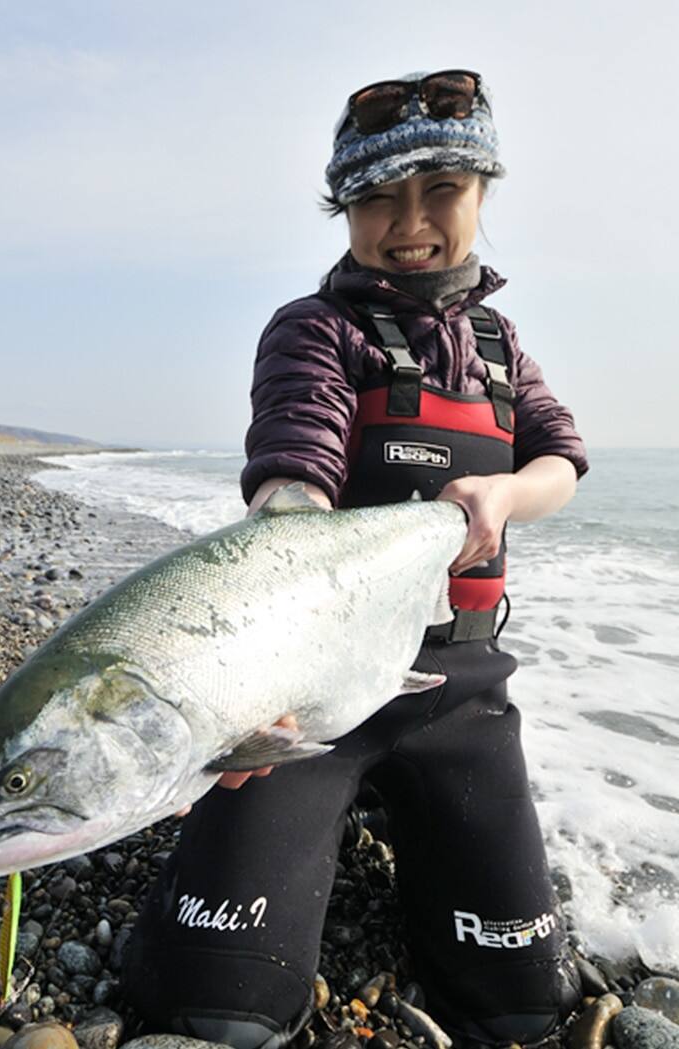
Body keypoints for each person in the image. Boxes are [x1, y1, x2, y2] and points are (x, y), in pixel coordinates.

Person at [122, 70, 588, 1048]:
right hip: (316, 693)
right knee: (215, 1006)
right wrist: (280, 542)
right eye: (374, 196)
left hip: (459, 689)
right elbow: (291, 464)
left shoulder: (501, 344)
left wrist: (504, 494)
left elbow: (559, 459)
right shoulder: (315, 329)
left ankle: (408, 827)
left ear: (480, 192)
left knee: (521, 1004)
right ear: (343, 206)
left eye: (440, 191)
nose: (407, 221)